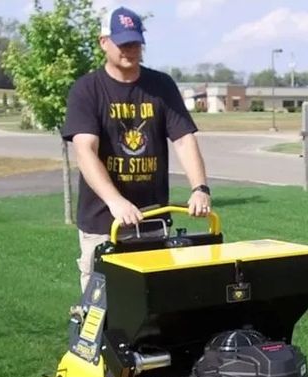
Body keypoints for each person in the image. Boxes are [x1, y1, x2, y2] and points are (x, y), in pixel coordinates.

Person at [62, 6, 211, 292]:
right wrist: (115, 202)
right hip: (104, 224)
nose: (130, 50)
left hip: (154, 222)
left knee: (157, 306)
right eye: (122, 43)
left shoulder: (161, 86)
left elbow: (183, 139)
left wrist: (200, 188)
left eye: (135, 42)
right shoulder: (87, 89)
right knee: (102, 311)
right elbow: (85, 151)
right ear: (103, 42)